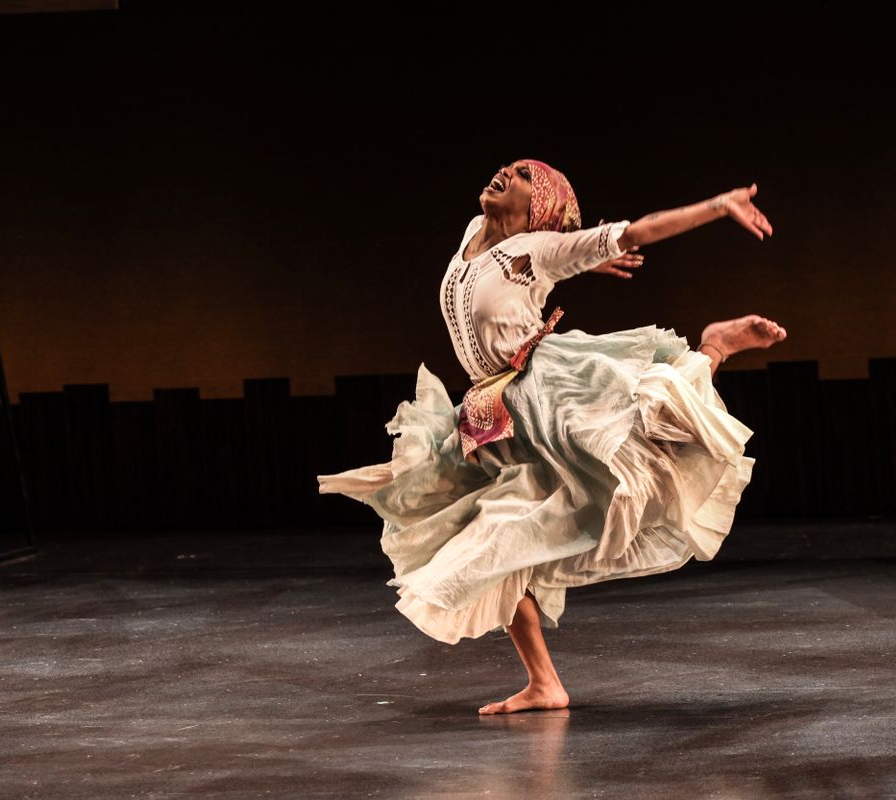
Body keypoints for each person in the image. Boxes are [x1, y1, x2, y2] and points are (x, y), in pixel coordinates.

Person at [318, 159, 787, 715]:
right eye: (509, 166)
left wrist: (718, 205)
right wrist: (583, 257)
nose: (505, 171)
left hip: (547, 389)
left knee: (647, 438)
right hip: (493, 408)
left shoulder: (537, 249)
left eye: (522, 174)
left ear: (538, 206)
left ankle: (714, 347)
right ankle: (545, 684)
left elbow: (637, 231)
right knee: (494, 536)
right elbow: (538, 262)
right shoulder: (474, 231)